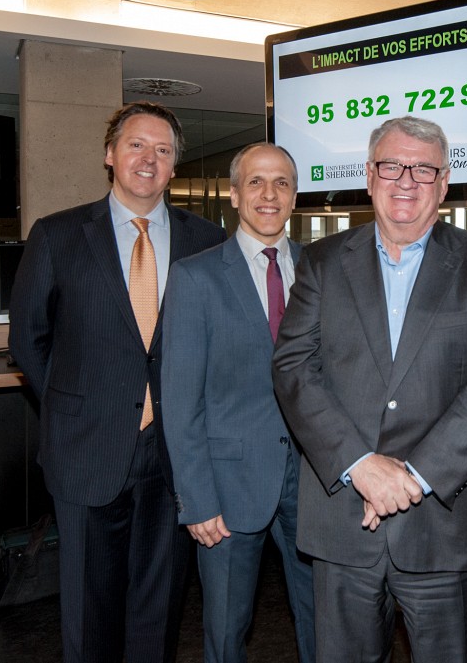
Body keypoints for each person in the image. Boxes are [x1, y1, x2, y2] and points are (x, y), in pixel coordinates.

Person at [271, 115, 467, 663]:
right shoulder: (320, 262)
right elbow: (293, 368)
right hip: (343, 525)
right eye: (392, 166)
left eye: (423, 169)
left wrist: (412, 476)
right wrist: (359, 463)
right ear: (369, 175)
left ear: (443, 182)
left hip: (443, 526)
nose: (406, 180)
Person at [9, 101, 226, 662]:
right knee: (88, 615)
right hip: (87, 451)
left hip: (175, 457)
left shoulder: (206, 240)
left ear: (175, 165)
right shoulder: (56, 235)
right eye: (136, 145)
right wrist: (75, 405)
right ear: (110, 155)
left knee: (159, 611)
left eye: (163, 149)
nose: (148, 159)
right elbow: (28, 340)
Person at [160, 142, 315, 662]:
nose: (269, 195)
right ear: (233, 194)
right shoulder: (195, 277)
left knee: (324, 625)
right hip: (226, 490)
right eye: (256, 182)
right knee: (227, 633)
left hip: (315, 484)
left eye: (282, 183)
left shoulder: (323, 270)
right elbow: (180, 400)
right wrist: (196, 499)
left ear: (295, 196)